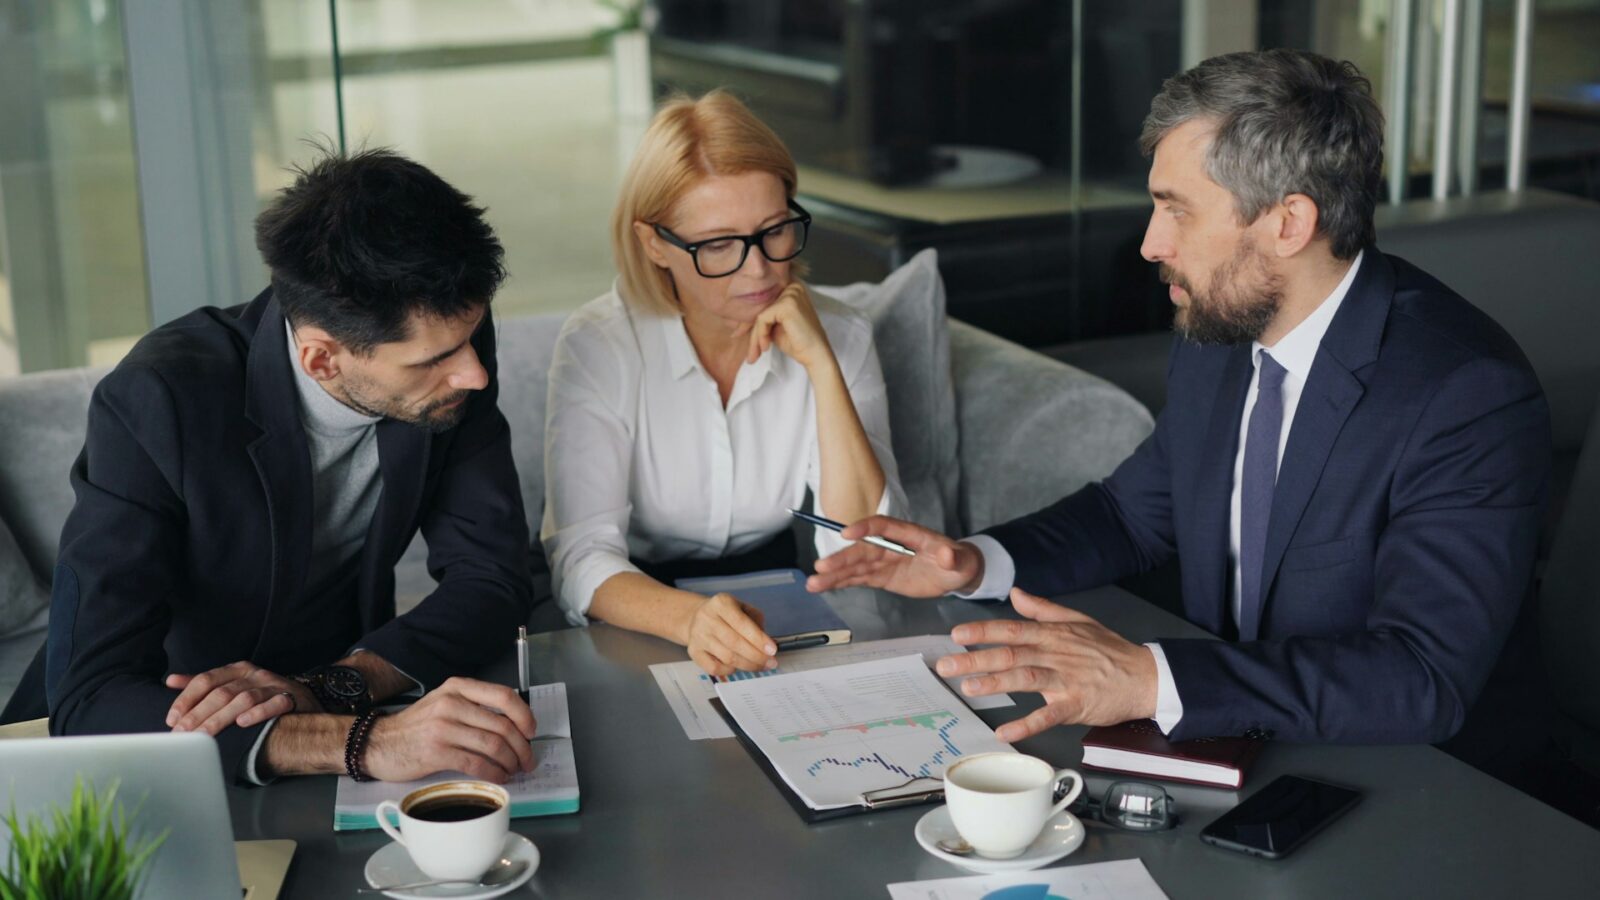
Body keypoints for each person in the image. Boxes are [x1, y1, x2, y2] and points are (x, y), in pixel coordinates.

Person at [808, 50, 1550, 751]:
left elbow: (1423, 678)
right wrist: (975, 563)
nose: (1151, 244)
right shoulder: (1220, 333)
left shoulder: (1465, 396)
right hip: (1229, 743)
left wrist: (1147, 678)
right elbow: (1132, 513)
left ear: (1288, 223)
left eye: (1178, 211)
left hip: (1414, 783)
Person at [42, 148, 540, 785]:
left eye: (470, 338)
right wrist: (367, 742)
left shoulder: (448, 342)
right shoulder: (157, 400)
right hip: (176, 751)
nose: (473, 373)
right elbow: (90, 701)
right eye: (432, 361)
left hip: (341, 698)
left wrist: (336, 689)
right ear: (321, 360)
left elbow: (492, 577)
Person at [542, 91, 908, 677]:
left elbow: (859, 548)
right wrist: (690, 620)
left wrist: (822, 367)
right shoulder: (599, 346)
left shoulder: (840, 333)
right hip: (641, 609)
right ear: (654, 243)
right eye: (718, 245)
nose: (759, 269)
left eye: (774, 231)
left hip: (783, 598)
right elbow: (582, 558)